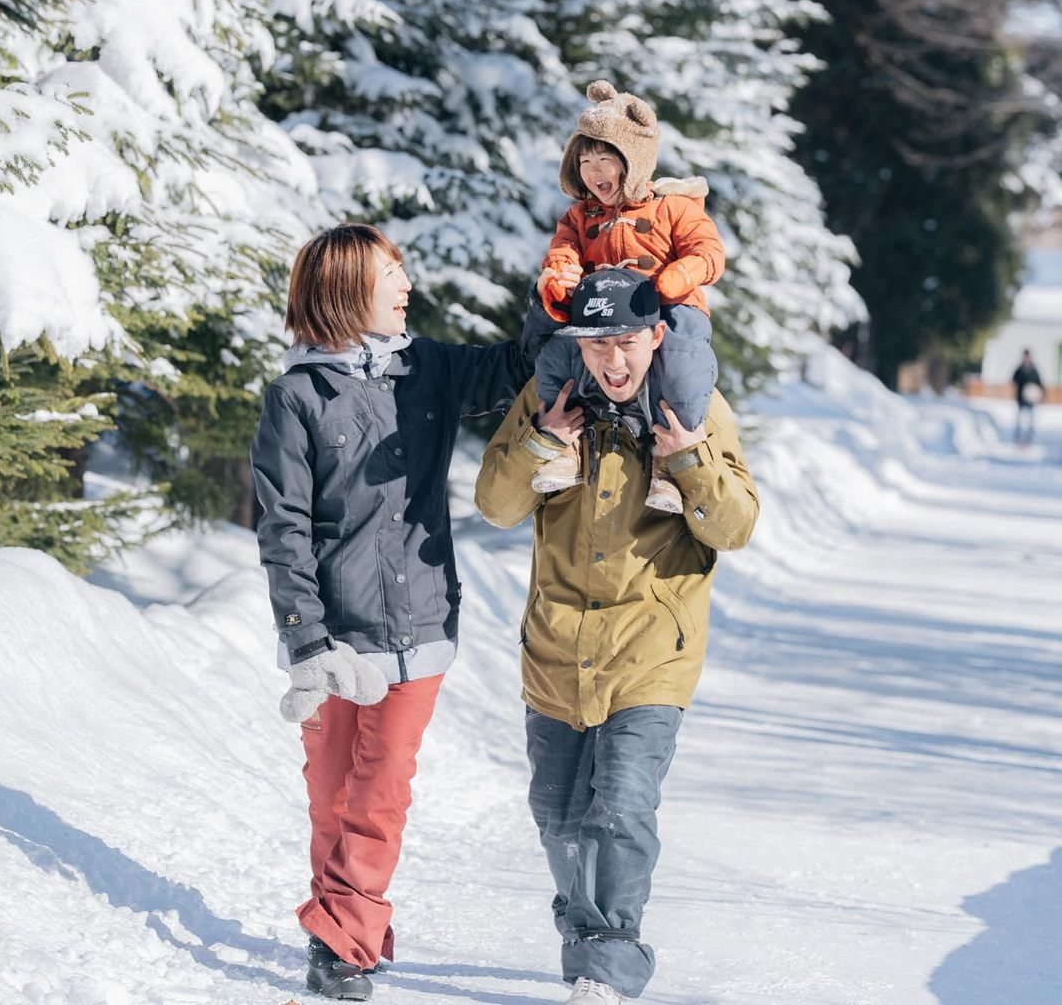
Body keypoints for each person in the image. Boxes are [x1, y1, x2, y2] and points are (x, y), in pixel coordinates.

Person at [250, 223, 543, 1001]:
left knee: (379, 787)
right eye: (390, 273)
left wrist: (556, 288)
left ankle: (344, 934)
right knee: (332, 792)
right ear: (347, 289)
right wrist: (305, 640)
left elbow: (517, 367)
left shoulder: (430, 369)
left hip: (419, 625)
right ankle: (353, 918)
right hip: (332, 638)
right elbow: (283, 528)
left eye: (402, 270)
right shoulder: (296, 398)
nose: (406, 284)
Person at [475, 268, 759, 1005]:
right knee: (558, 817)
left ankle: (607, 960)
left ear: (656, 336)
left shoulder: (695, 408)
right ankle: (584, 930)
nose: (614, 358)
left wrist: (691, 456)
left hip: (649, 656)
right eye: (597, 343)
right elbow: (495, 505)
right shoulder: (551, 402)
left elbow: (735, 527)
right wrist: (540, 442)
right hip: (557, 652)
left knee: (623, 805)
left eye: (627, 340)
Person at [534, 79, 724, 515]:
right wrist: (563, 272)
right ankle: (566, 448)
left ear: (633, 161)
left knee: (681, 364)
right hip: (602, 312)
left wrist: (680, 275)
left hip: (669, 306)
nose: (595, 173)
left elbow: (709, 252)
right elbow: (564, 247)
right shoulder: (581, 216)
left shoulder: (672, 208)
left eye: (605, 160)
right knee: (557, 353)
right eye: (585, 162)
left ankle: (668, 465)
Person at [1012, 348, 1044, 444]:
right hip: (1021, 399)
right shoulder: (1019, 369)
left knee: (1031, 422)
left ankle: (1029, 440)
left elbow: (1039, 383)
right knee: (1019, 421)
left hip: (1031, 400)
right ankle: (1017, 439)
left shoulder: (1034, 369)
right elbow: (1013, 379)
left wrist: (1037, 393)